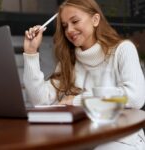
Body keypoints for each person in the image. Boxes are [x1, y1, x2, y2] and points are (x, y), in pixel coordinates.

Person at [23, 0, 145, 149]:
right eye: (65, 25)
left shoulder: (123, 50)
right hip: (82, 140)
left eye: (75, 21)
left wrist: (76, 101)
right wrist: (31, 53)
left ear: (95, 20)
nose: (69, 30)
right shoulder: (69, 62)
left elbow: (135, 97)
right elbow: (40, 101)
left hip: (122, 140)